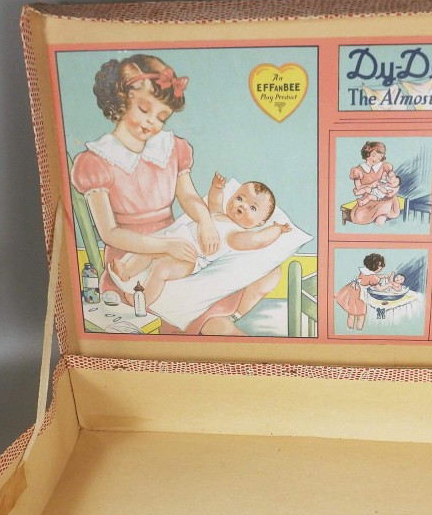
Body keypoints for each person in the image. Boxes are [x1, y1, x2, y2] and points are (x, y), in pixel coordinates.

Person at [71, 54, 279, 335]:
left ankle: (228, 338)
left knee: (262, 275)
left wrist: (205, 220)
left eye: (161, 117)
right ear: (122, 99)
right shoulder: (97, 161)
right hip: (132, 259)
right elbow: (109, 233)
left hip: (180, 244)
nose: (151, 122)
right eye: (144, 109)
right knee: (209, 322)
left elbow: (189, 197)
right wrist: (165, 246)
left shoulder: (170, 149)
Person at [110, 174, 291, 309]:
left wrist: (277, 229)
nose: (243, 205)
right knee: (149, 248)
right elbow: (214, 202)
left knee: (161, 268)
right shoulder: (217, 214)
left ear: (259, 223)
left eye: (252, 207)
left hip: (189, 259)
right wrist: (217, 188)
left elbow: (258, 240)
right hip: (172, 243)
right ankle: (127, 271)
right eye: (239, 198)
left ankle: (142, 300)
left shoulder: (235, 235)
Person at [348, 142, 401, 226]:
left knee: (383, 212)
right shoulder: (358, 170)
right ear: (367, 153)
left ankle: (379, 227)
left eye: (380, 157)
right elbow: (358, 188)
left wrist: (390, 191)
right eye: (374, 155)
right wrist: (371, 185)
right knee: (359, 216)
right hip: (369, 199)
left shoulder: (385, 166)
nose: (376, 159)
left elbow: (395, 182)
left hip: (386, 198)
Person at [335, 253, 386, 331]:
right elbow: (380, 288)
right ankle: (359, 330)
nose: (381, 267)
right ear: (374, 266)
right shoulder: (373, 277)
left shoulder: (364, 271)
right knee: (361, 315)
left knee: (351, 313)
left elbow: (370, 277)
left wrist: (383, 276)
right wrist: (389, 284)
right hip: (360, 295)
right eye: (379, 266)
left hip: (353, 291)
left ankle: (349, 329)